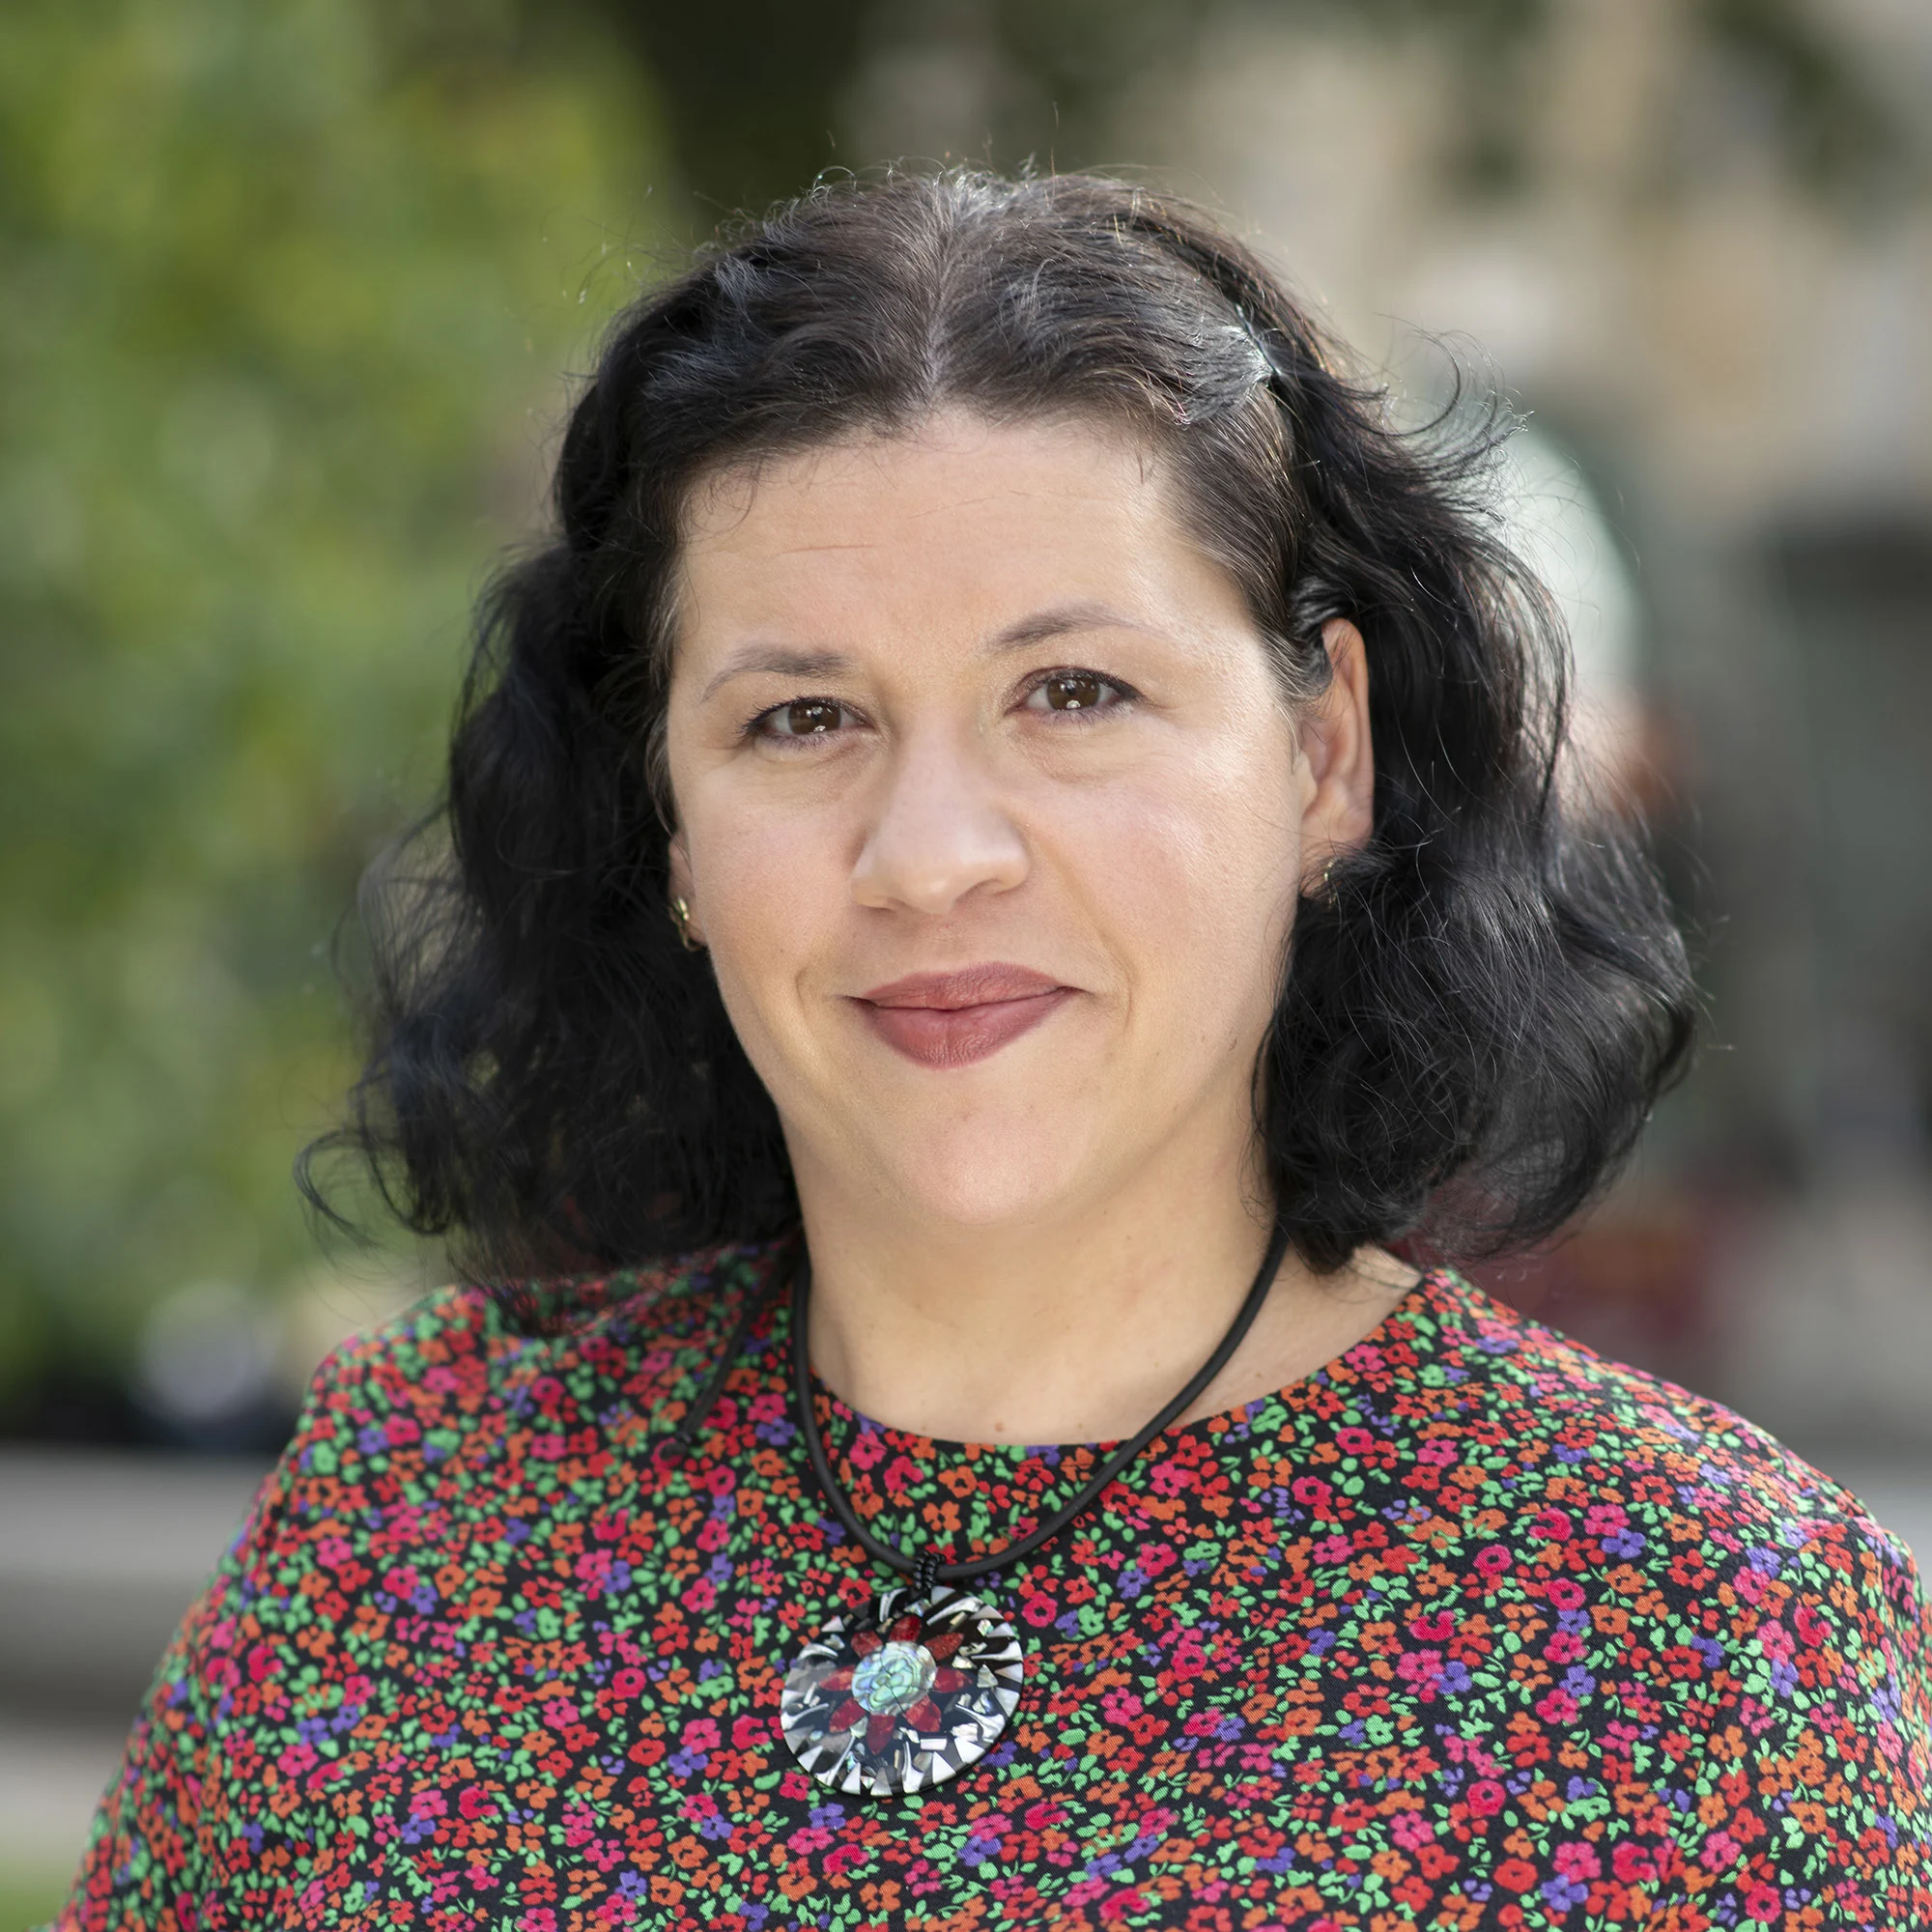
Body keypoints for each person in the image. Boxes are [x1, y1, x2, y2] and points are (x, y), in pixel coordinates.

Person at [58, 169, 1931, 1932]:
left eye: (1072, 693)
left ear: (1320, 755)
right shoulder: (415, 1529)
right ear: (669, 824)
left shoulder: (1698, 1641)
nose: (932, 855)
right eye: (801, 718)